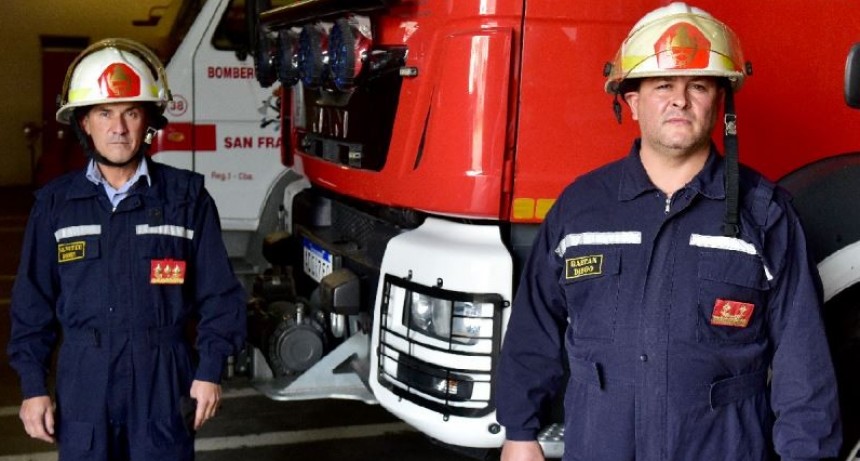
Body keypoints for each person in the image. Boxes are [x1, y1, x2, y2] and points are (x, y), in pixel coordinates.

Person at [495, 3, 842, 460]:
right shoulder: (581, 210)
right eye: (663, 85)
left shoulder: (766, 214)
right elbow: (532, 328)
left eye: (697, 85)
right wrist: (519, 434)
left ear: (720, 101)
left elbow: (804, 361)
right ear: (633, 100)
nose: (680, 100)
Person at [7, 38, 247, 461]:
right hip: (84, 375)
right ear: (84, 122)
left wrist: (209, 370)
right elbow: (32, 305)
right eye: (104, 113)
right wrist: (32, 388)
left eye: (131, 112)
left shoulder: (186, 198)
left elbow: (220, 295)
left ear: (148, 122)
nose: (118, 128)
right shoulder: (55, 205)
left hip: (163, 374)